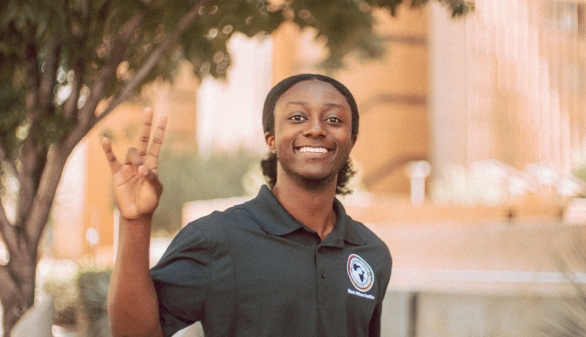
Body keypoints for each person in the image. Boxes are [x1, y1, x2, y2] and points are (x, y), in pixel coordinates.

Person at [104, 74, 392, 337]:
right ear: (271, 139)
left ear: (351, 141)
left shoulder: (371, 252)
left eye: (333, 120)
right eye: (297, 117)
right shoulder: (217, 238)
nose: (316, 129)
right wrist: (135, 222)